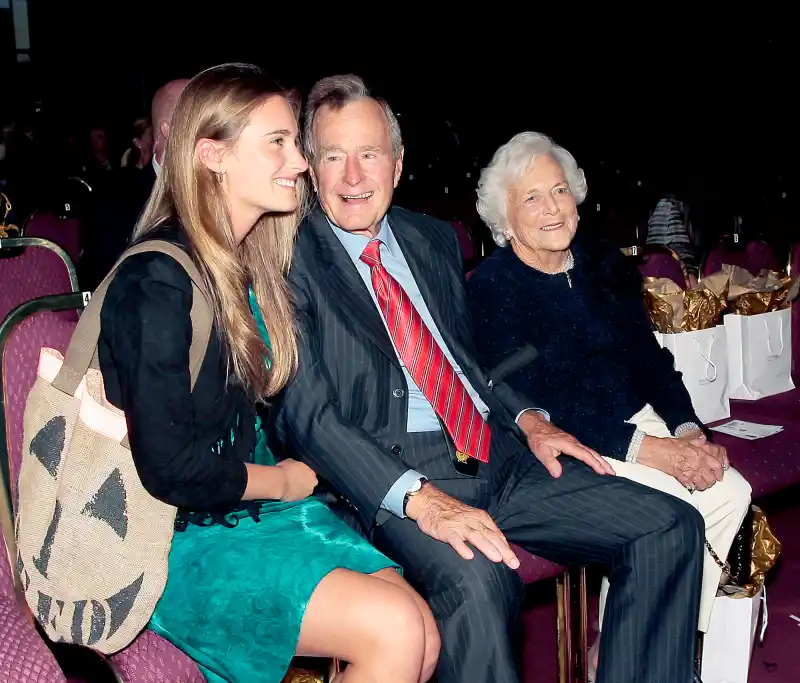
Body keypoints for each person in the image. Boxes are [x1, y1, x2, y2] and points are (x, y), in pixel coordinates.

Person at [271, 74, 705, 683]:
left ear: (396, 165)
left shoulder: (430, 240)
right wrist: (419, 497)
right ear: (310, 169)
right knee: (482, 584)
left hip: (496, 455)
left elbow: (466, 364)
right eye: (333, 157)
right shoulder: (284, 259)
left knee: (669, 524)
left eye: (368, 155)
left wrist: (530, 421)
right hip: (393, 477)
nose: (352, 177)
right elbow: (306, 417)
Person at [97, 63, 439, 683]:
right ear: (212, 156)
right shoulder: (157, 282)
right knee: (394, 630)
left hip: (252, 516)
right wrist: (284, 481)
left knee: (422, 632)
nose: (301, 163)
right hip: (174, 541)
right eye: (278, 142)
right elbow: (170, 470)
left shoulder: (248, 265)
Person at [468, 131, 752, 679]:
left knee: (730, 491)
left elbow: (651, 361)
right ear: (504, 215)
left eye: (558, 191)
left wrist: (688, 428)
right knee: (680, 514)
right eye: (531, 197)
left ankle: (640, 640)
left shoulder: (601, 262)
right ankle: (639, 653)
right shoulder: (493, 288)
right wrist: (652, 450)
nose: (551, 208)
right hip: (570, 443)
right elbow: (538, 403)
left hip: (638, 422)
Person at [79, 78, 189, 290]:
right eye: (202, 120)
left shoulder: (226, 192)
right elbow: (104, 284)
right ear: (170, 130)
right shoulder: (116, 200)